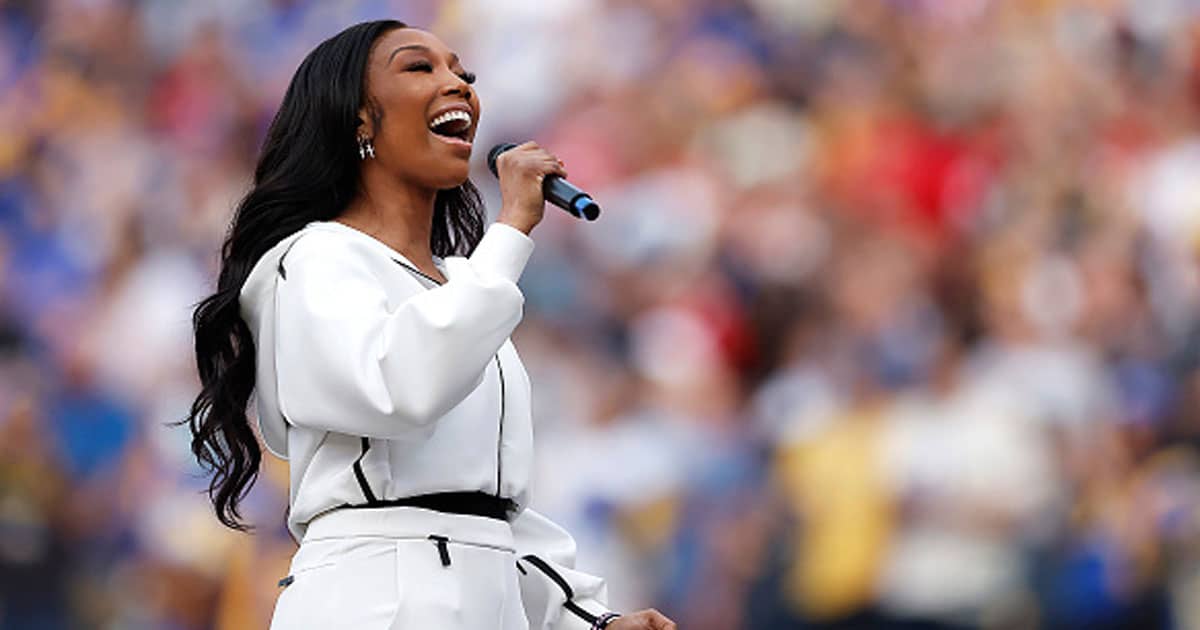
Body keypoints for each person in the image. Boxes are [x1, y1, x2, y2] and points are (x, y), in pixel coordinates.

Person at [184, 19, 676, 630]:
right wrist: (510, 232)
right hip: (373, 602)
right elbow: (398, 387)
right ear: (359, 119)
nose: (459, 86)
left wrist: (591, 620)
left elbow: (492, 515)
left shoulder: (463, 286)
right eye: (421, 68)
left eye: (463, 74)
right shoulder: (313, 258)